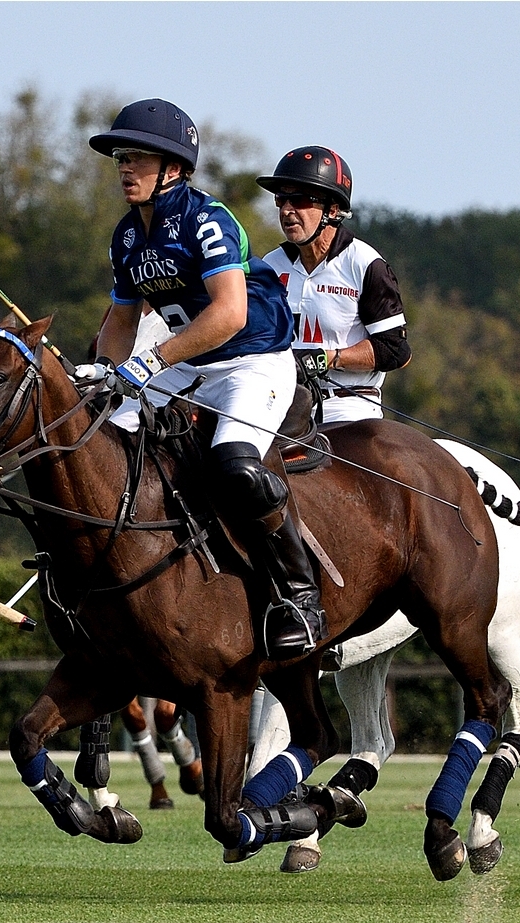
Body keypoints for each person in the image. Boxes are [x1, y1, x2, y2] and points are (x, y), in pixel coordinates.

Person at [84, 99, 323, 659]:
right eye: (121, 157)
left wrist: (152, 361)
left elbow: (230, 314)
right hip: (189, 365)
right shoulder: (127, 236)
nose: (125, 167)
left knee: (235, 466)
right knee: (100, 444)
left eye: (138, 157)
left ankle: (299, 595)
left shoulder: (206, 219)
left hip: (253, 360)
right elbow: (121, 321)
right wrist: (106, 372)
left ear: (173, 167)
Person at [255, 146, 410, 424]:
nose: (287, 210)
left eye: (299, 199)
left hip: (348, 407)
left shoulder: (365, 264)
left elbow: (395, 350)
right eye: (281, 199)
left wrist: (325, 358)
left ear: (333, 209)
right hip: (279, 404)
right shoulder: (271, 265)